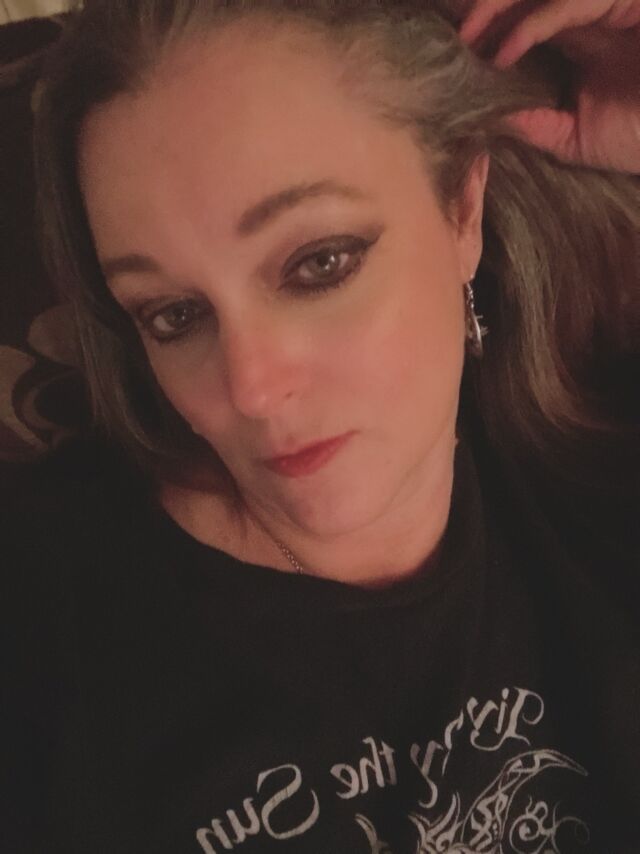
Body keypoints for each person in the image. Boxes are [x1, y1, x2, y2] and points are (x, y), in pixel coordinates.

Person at [2, 0, 639, 851]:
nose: (252, 390)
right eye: (173, 314)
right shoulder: (43, 626)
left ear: (461, 208)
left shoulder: (604, 458)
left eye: (319, 263)